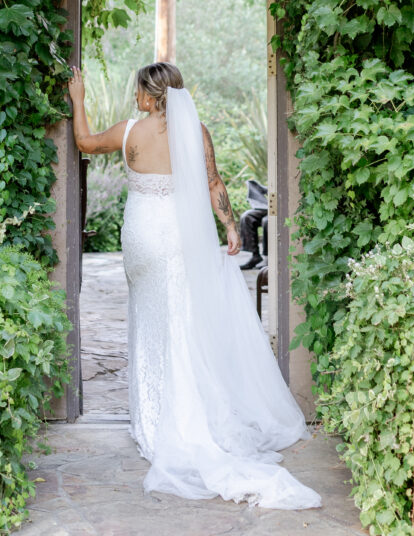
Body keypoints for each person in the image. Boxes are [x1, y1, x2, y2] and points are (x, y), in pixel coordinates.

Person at [67, 61, 321, 511]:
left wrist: (78, 98)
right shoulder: (196, 132)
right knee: (182, 319)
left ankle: (156, 415)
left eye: (139, 91)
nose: (135, 98)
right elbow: (213, 182)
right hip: (180, 239)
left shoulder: (129, 132)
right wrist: (229, 225)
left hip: (143, 236)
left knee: (151, 319)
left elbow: (84, 142)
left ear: (150, 95)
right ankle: (188, 411)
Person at [239, 179, 269, 270]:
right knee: (247, 217)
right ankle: (255, 255)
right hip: (267, 207)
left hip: (279, 207)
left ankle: (268, 257)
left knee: (267, 221)